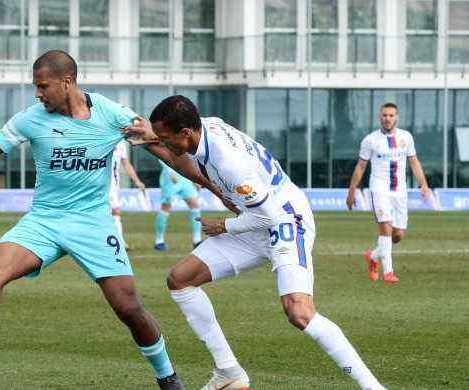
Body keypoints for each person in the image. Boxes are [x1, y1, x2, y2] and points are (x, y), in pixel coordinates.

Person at [0, 51, 188, 390]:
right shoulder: (31, 118)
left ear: (67, 82)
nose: (37, 93)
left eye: (42, 86)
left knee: (128, 307)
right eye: (35, 86)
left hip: (92, 222)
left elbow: (171, 152)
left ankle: (168, 378)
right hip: (44, 220)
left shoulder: (112, 114)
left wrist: (218, 188)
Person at [135, 95, 388, 390]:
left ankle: (374, 388)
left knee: (299, 312)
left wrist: (223, 225)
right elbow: (180, 159)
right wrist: (152, 138)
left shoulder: (228, 162)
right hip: (255, 216)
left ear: (185, 133)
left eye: (166, 137)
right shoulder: (206, 127)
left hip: (285, 218)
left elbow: (268, 216)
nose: (163, 142)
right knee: (180, 279)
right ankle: (229, 372)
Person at [346, 102, 429, 283]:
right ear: (380, 117)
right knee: (386, 227)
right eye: (384, 115)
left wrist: (423, 183)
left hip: (400, 191)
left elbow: (414, 161)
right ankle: (388, 272)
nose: (388, 119)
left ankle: (373, 257)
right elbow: (360, 167)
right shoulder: (370, 140)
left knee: (398, 235)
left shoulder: (406, 137)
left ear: (397, 117)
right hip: (379, 189)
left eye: (391, 115)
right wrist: (351, 192)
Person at [154, 159, 203, 250]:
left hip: (185, 177)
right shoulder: (164, 144)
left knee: (195, 205)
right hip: (169, 178)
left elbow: (189, 157)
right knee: (166, 207)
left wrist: (196, 177)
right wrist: (170, 171)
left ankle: (197, 240)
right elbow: (160, 156)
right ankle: (159, 241)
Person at [109, 140, 146, 249]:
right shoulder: (105, 139)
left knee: (110, 212)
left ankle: (112, 241)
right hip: (105, 183)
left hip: (115, 183)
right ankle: (120, 241)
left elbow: (126, 164)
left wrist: (137, 181)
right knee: (115, 209)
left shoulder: (121, 144)